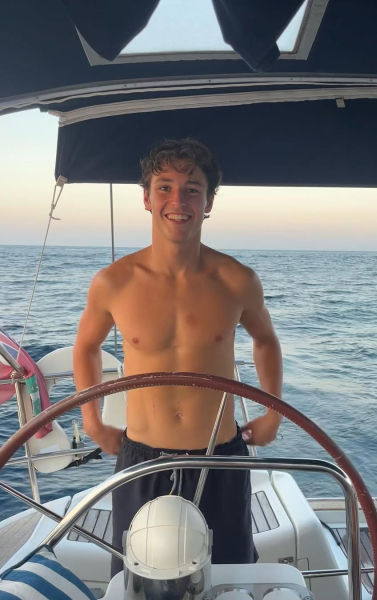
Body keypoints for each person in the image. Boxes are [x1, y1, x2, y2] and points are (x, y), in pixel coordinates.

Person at [73, 138, 283, 577]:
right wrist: (91, 421)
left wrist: (272, 414)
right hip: (142, 459)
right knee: (137, 578)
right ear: (147, 199)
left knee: (229, 577)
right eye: (165, 187)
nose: (178, 201)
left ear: (209, 203)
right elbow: (86, 347)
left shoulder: (237, 280)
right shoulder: (114, 282)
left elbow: (265, 341)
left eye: (192, 189)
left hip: (219, 456)